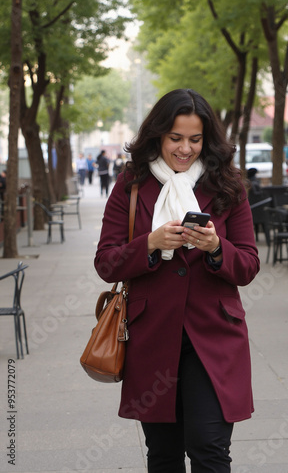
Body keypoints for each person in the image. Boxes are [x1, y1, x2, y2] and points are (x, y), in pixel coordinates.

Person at [94, 89, 260, 472]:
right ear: (158, 136)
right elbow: (106, 262)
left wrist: (218, 248)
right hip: (153, 339)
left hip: (214, 336)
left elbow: (249, 264)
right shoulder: (131, 184)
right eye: (175, 138)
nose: (185, 149)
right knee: (164, 455)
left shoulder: (227, 183)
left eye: (195, 139)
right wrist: (149, 245)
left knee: (209, 448)